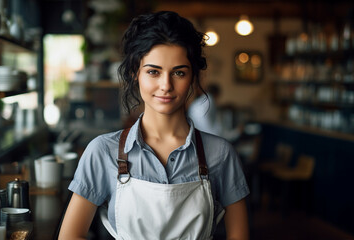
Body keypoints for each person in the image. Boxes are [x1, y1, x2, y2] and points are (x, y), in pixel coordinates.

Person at [59, 11, 250, 240]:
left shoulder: (220, 154)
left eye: (179, 72)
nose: (166, 85)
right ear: (134, 74)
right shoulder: (102, 151)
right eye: (153, 72)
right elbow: (70, 235)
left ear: (193, 77)